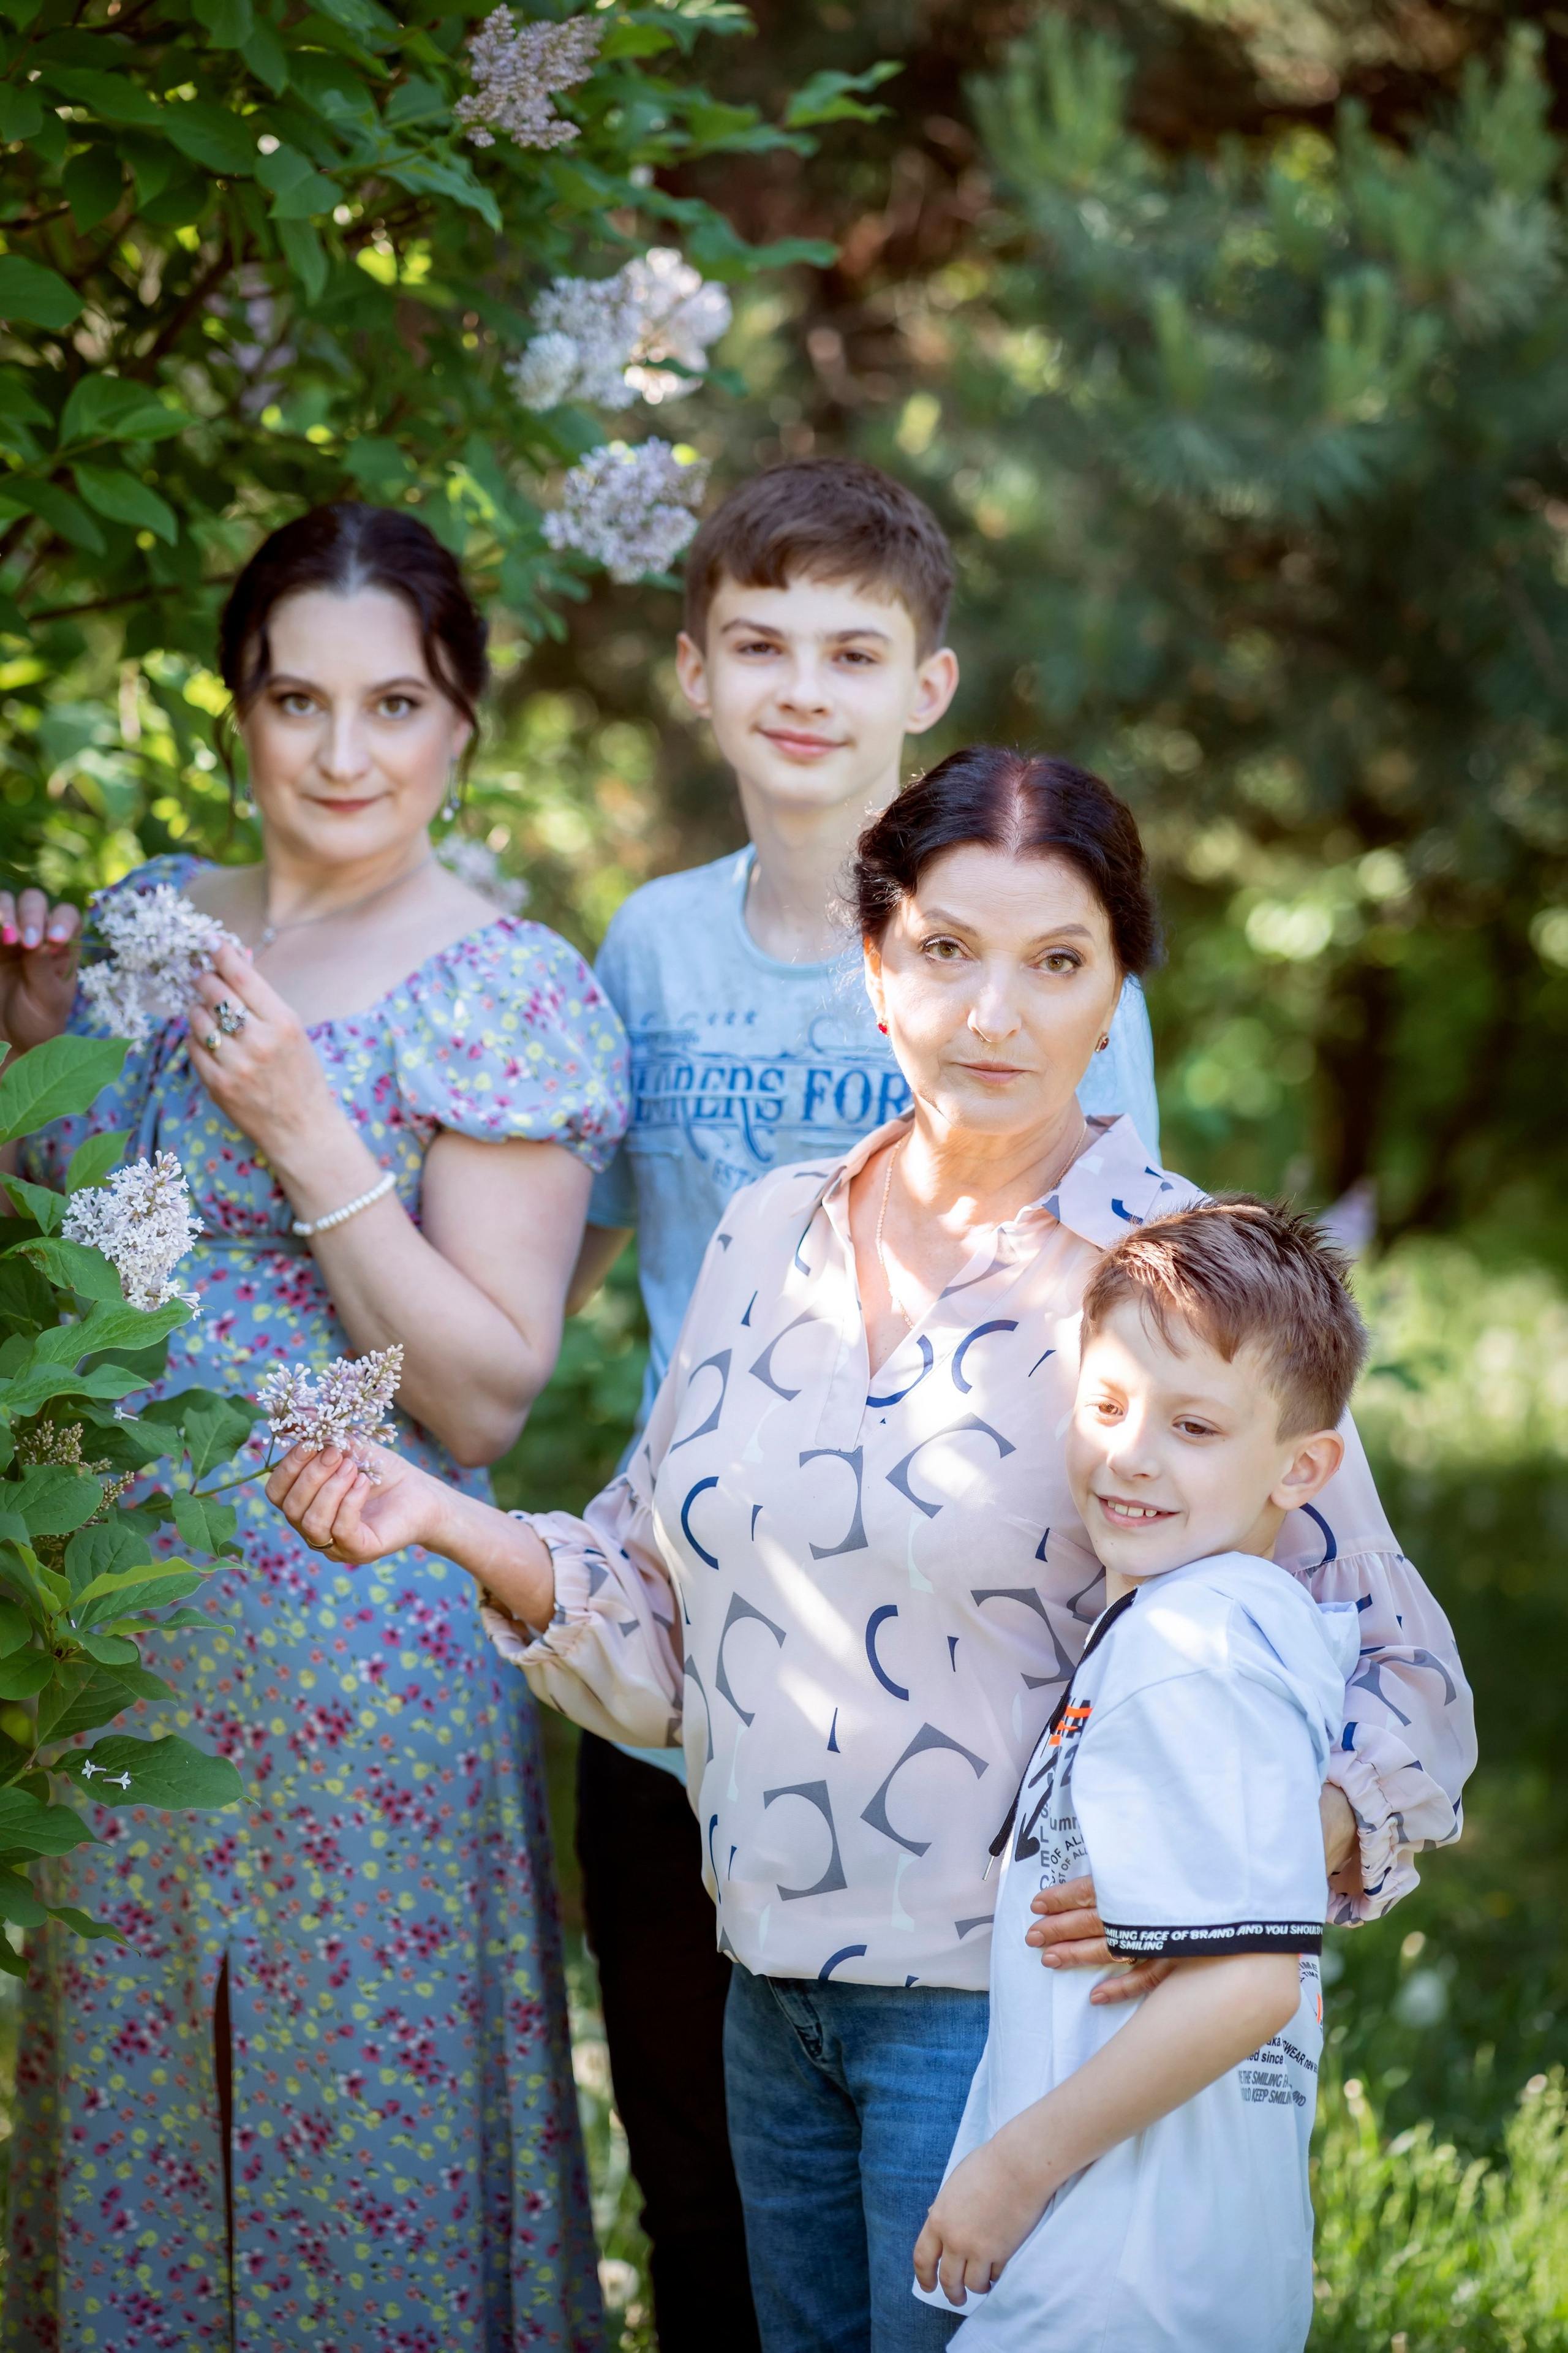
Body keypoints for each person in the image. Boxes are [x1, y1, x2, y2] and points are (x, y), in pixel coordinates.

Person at [265, 746, 1476, 2353]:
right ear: (873, 965)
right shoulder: (772, 1232)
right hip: (766, 2002)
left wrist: (1224, 1873)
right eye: (946, 953)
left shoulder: (1178, 1290)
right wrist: (445, 1521)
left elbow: (1407, 1683)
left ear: (1119, 989)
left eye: (1058, 964)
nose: (996, 1016)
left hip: (1002, 2028)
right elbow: (656, 1618)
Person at [0, 503, 625, 2352]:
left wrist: (308, 1127)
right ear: (240, 709)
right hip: (114, 1642)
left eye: (398, 703)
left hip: (364, 1658)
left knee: (362, 2154)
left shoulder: (504, 986)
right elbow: (94, 1266)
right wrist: (29, 1049)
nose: (346, 755)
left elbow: (487, 1389)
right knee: (130, 2137)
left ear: (463, 723)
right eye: (298, 700)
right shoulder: (145, 930)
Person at [563, 459, 1159, 2347]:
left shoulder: (1028, 951)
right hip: (700, 1642)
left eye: (852, 648)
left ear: (929, 681)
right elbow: (551, 1255)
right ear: (696, 675)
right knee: (709, 2192)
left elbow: (1145, 1301)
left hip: (958, 1665)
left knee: (934, 2236)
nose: (802, 689)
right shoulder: (651, 946)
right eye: (760, 646)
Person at [913, 1197, 1371, 2349]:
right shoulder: (1205, 1622)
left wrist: (1011, 2169)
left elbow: (1252, 1981)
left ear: (1303, 1467)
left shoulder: (1194, 1644)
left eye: (1197, 1428)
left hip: (1111, 2276)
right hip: (1178, 2266)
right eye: (1107, 1405)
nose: (1132, 1455)